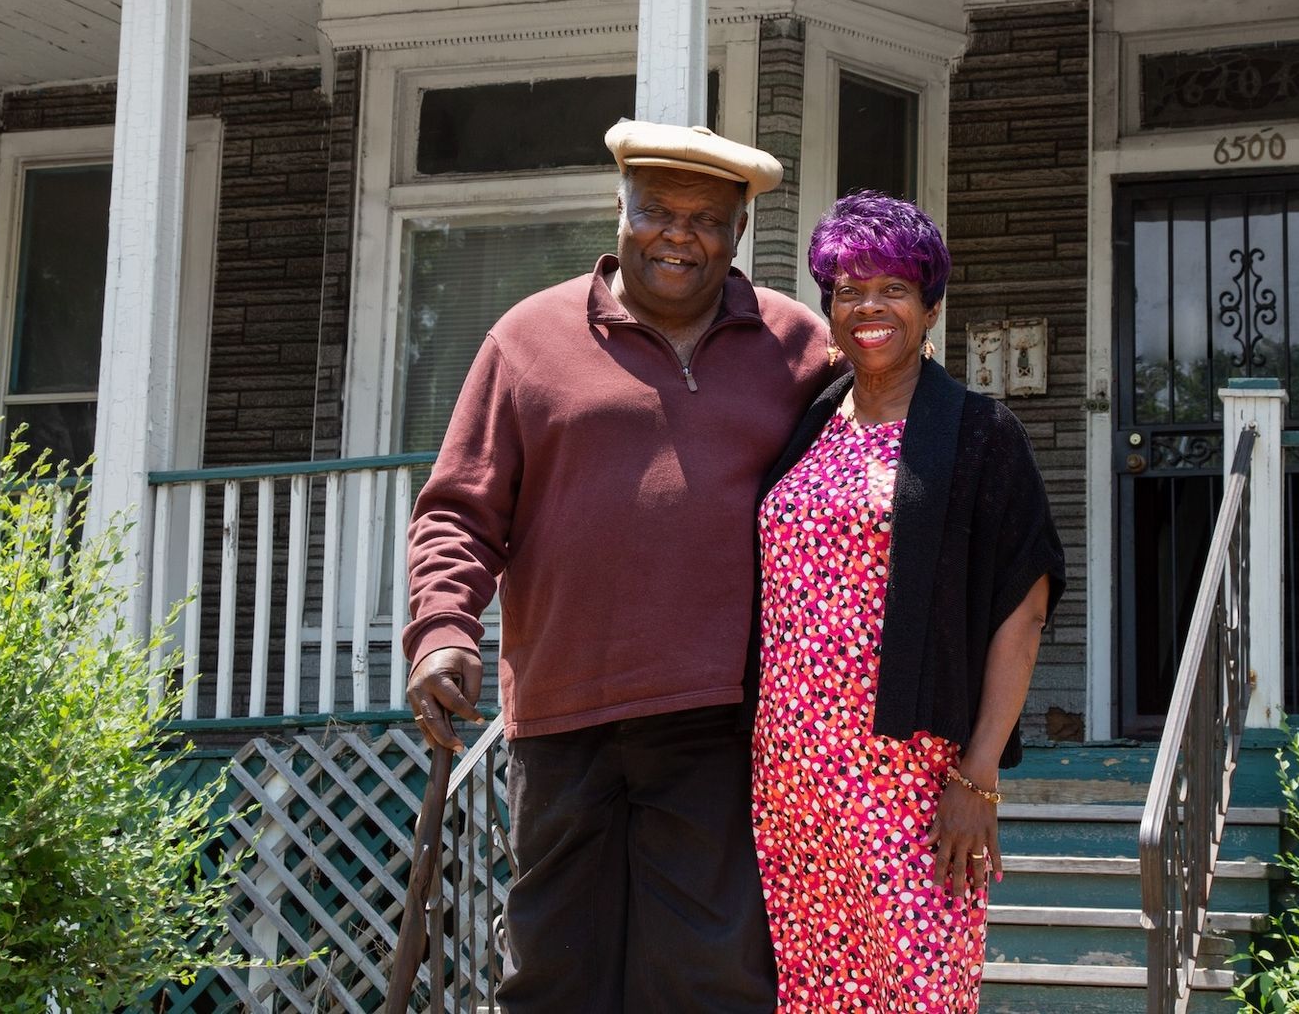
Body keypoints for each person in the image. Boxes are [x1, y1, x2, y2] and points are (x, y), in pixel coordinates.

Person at [399, 120, 830, 1013]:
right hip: (565, 714)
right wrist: (442, 632)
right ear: (619, 211)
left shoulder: (798, 348)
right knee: (559, 971)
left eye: (707, 218)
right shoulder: (528, 339)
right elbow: (457, 510)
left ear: (739, 232)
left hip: (723, 717)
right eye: (658, 210)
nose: (681, 234)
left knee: (712, 977)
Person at [750, 191, 1066, 1012]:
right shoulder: (812, 423)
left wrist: (980, 775)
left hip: (909, 779)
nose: (869, 306)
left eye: (893, 287)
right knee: (813, 989)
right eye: (848, 288)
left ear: (930, 305)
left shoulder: (978, 434)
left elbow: (1022, 612)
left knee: (919, 987)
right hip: (789, 775)